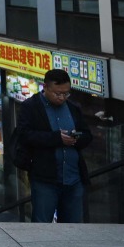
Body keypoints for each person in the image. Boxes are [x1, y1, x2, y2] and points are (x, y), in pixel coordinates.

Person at [17, 68, 93, 223]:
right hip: (45, 179)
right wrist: (57, 138)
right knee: (42, 224)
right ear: (45, 87)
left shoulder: (73, 108)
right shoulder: (31, 107)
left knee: (74, 228)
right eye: (58, 93)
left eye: (66, 93)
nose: (62, 97)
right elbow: (25, 135)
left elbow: (87, 134)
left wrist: (76, 138)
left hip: (73, 178)